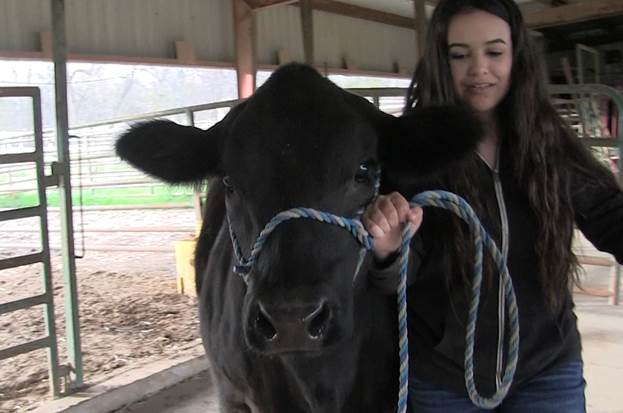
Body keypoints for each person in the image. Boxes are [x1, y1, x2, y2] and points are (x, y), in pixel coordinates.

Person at [363, 0, 623, 412]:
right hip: (443, 377)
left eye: (494, 52)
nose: (479, 68)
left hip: (546, 368)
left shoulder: (549, 144)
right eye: (460, 55)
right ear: (440, 60)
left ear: (516, 56)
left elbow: (611, 216)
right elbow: (396, 279)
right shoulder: (410, 152)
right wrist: (388, 250)